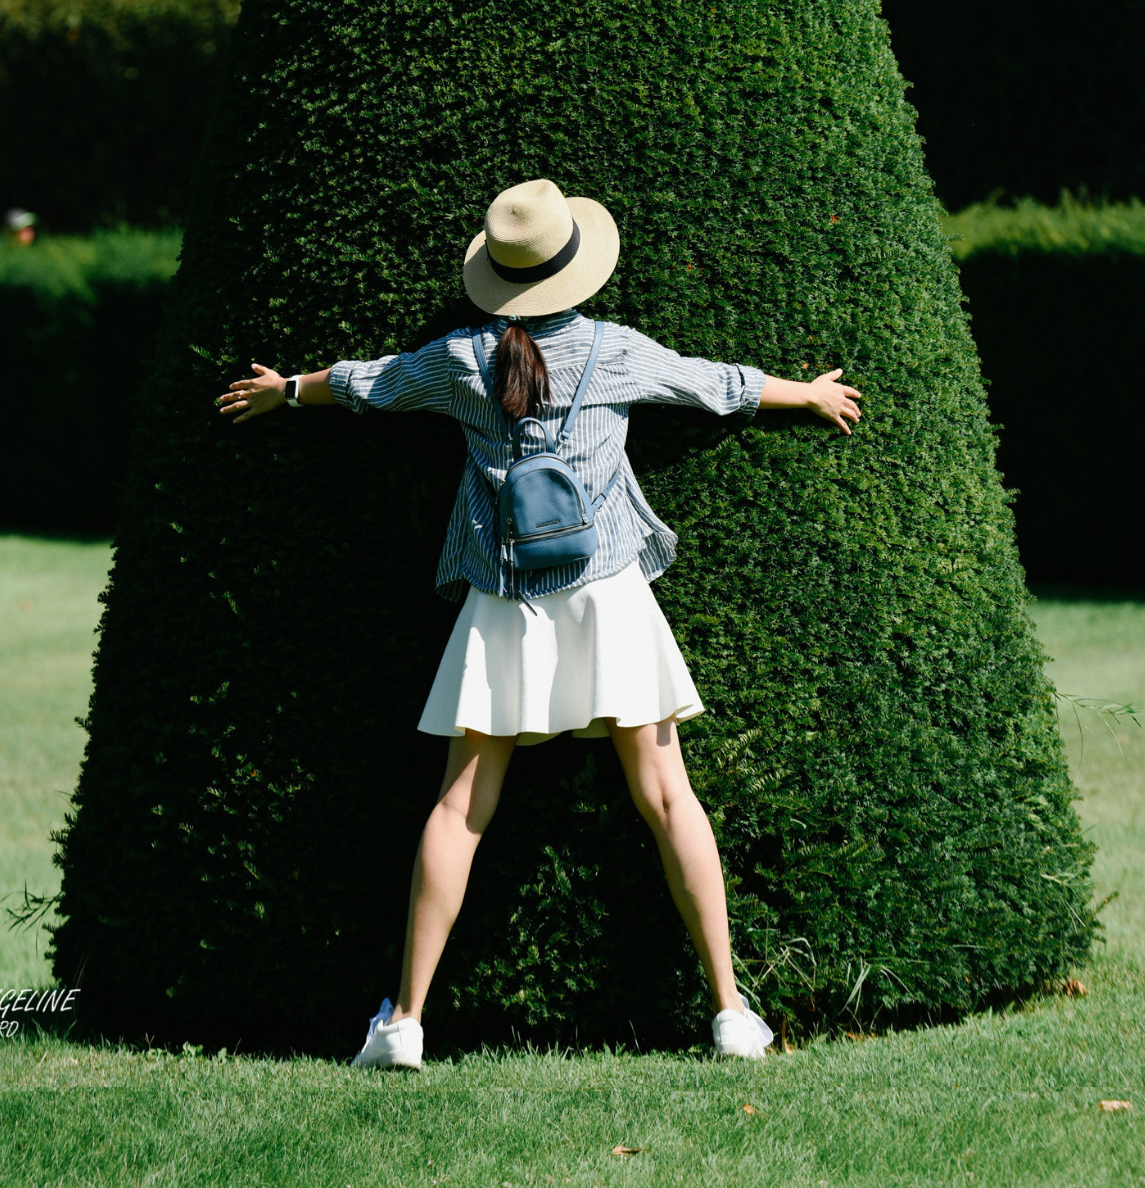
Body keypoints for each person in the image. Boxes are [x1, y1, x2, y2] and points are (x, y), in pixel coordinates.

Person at [219, 179, 861, 1068]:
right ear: (574, 266)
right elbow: (714, 385)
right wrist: (810, 394)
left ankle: (403, 1023)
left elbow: (369, 386)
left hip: (505, 600)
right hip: (610, 598)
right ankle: (730, 1013)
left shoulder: (458, 360)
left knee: (460, 804)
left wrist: (287, 389)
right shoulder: (616, 350)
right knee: (669, 796)